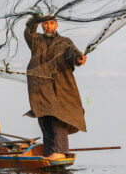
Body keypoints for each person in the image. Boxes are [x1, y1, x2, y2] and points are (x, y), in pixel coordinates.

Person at [24, 16, 87, 160]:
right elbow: (28, 32)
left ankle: (59, 152)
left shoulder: (65, 42)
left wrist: (78, 59)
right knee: (45, 117)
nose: (48, 26)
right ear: (41, 25)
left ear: (56, 25)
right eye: (45, 23)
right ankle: (49, 152)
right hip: (39, 87)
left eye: (51, 23)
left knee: (58, 116)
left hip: (61, 86)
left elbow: (73, 54)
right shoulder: (36, 40)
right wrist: (35, 20)